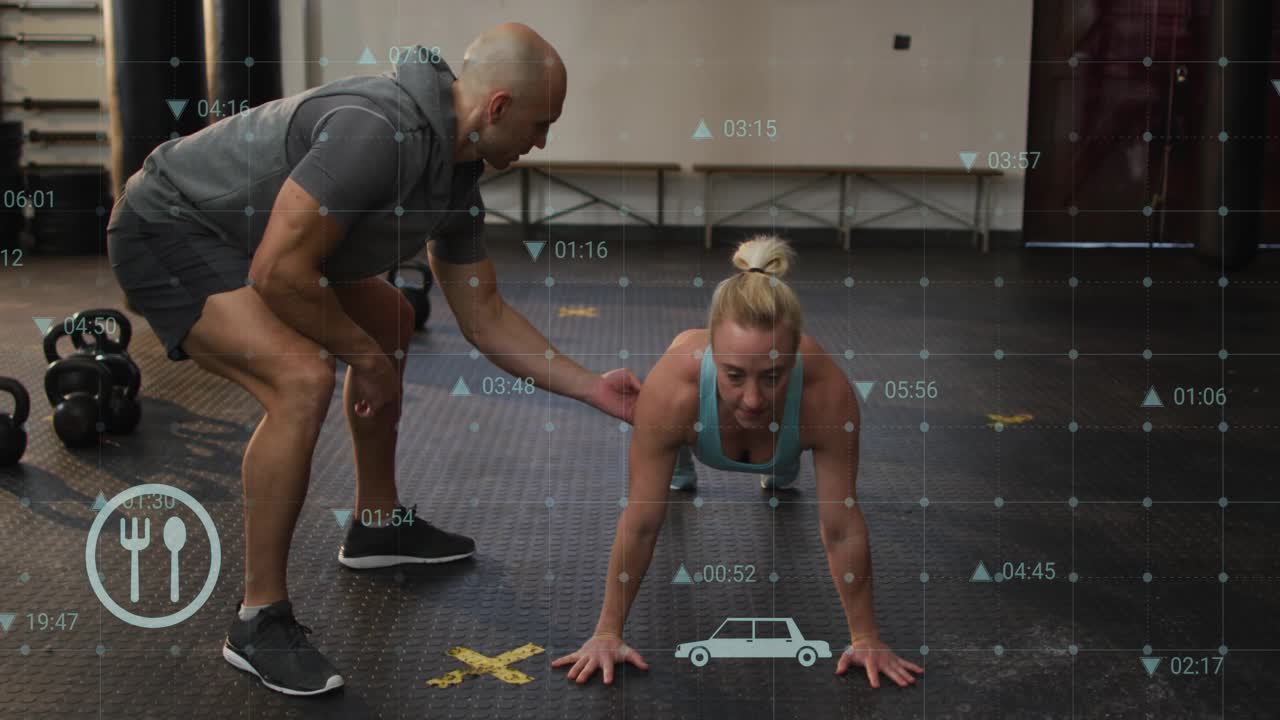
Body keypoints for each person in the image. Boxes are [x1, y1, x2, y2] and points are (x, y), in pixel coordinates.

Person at [105, 23, 639, 696]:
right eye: (541, 125)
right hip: (168, 224)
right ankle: (258, 620)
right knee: (301, 379)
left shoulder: (457, 175)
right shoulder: (376, 131)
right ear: (499, 107)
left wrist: (593, 388)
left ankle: (377, 526)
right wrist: (366, 359)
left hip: (251, 235)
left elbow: (485, 314)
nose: (541, 143)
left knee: (390, 319)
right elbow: (276, 271)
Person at [551, 236, 924, 688]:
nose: (751, 398)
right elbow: (641, 524)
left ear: (794, 357)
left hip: (784, 437)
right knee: (675, 445)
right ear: (713, 354)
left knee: (779, 463)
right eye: (733, 375)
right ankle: (683, 457)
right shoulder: (672, 391)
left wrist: (866, 638)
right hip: (695, 422)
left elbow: (841, 527)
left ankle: (780, 462)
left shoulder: (827, 396)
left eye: (772, 376)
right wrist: (607, 633)